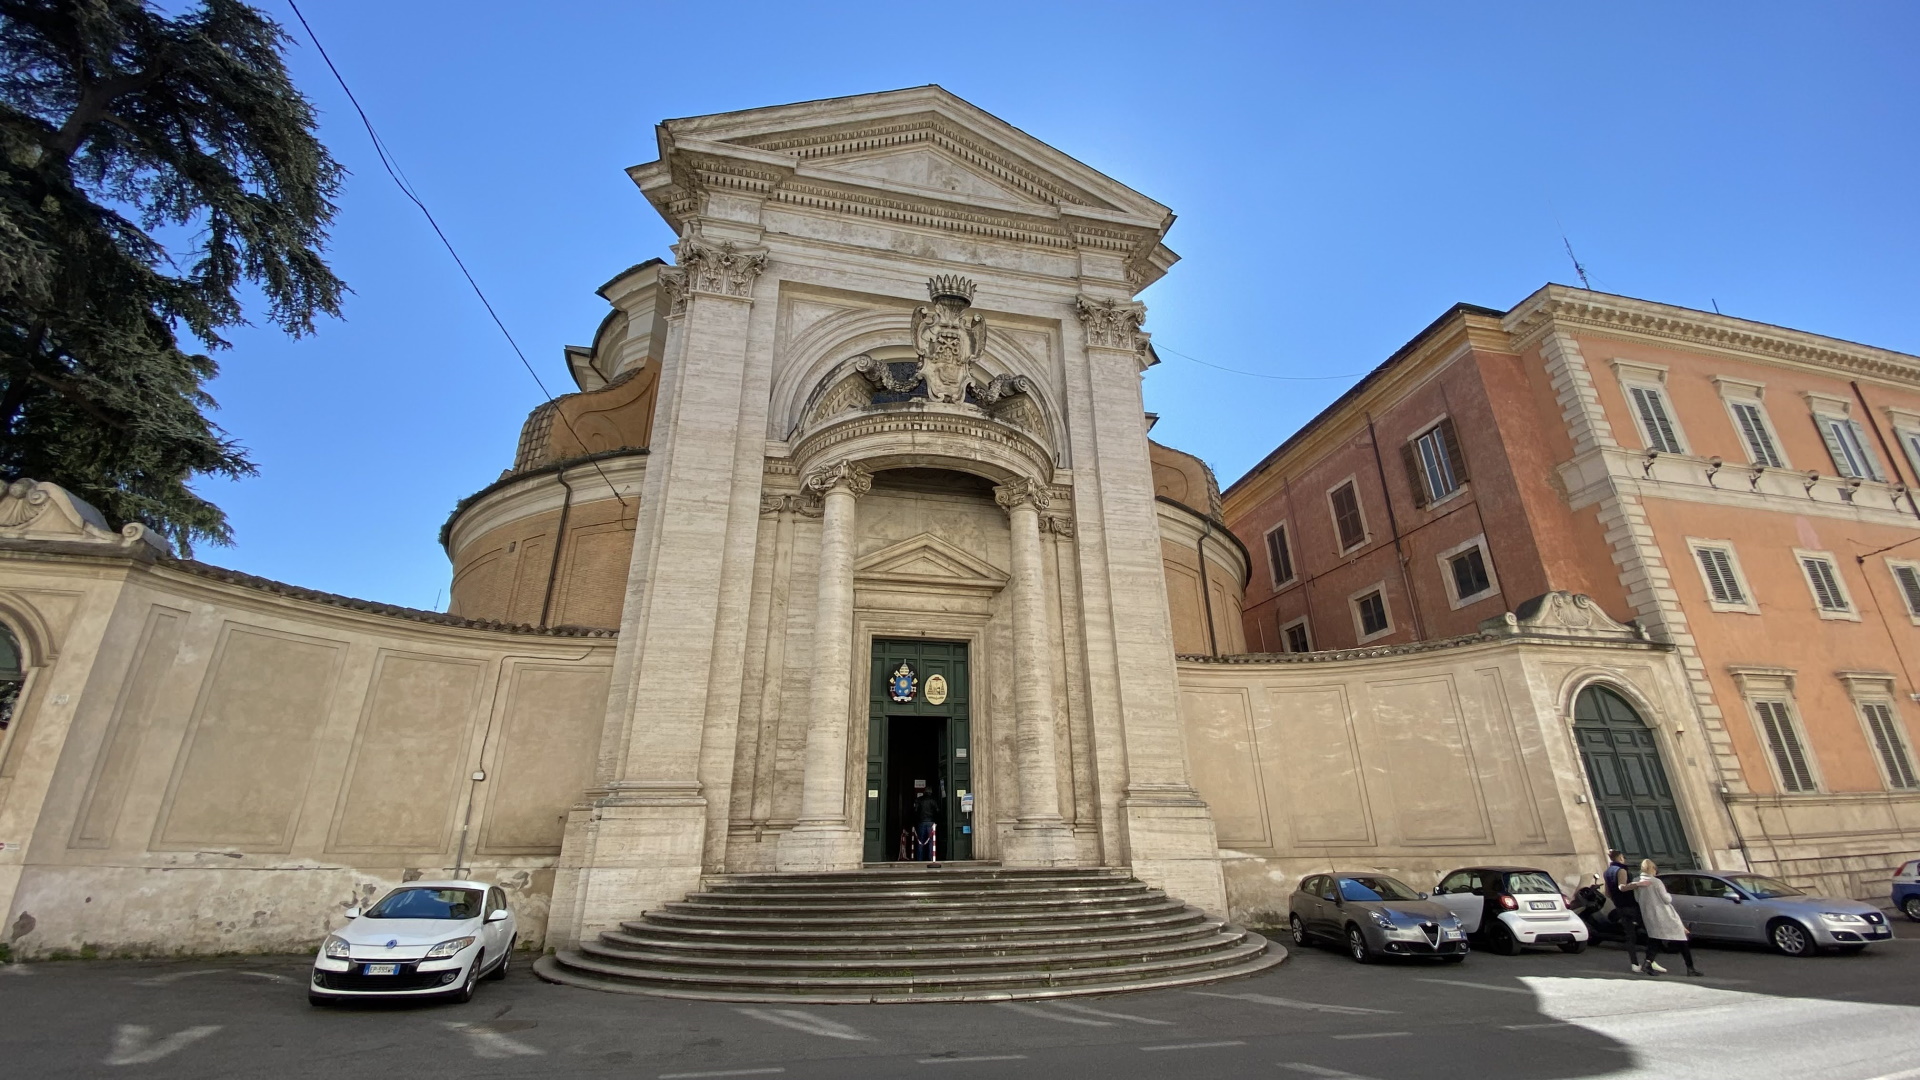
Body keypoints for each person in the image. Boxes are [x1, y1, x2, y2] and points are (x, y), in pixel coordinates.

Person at [1623, 860, 1702, 977]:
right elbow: (1666, 899)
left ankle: (1648, 963)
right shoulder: (1656, 882)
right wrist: (1669, 895)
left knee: (1655, 940)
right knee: (1682, 940)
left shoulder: (1636, 881)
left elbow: (1637, 899)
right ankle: (1690, 968)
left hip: (1648, 915)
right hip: (1664, 915)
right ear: (1652, 869)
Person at [1603, 849, 1651, 973]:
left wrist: (1616, 900)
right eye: (1623, 857)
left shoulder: (1607, 872)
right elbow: (1622, 887)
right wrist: (1638, 884)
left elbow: (1607, 893)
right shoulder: (1621, 870)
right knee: (1649, 932)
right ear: (1620, 857)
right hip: (1631, 905)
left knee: (1630, 936)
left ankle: (1634, 963)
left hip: (1620, 907)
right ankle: (1650, 960)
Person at [913, 787, 942, 861]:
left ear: (924, 792)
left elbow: (915, 811)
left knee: (921, 841)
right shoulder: (933, 800)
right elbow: (937, 811)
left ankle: (919, 859)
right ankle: (931, 858)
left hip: (921, 822)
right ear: (931, 792)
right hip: (931, 822)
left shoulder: (919, 800)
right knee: (931, 841)